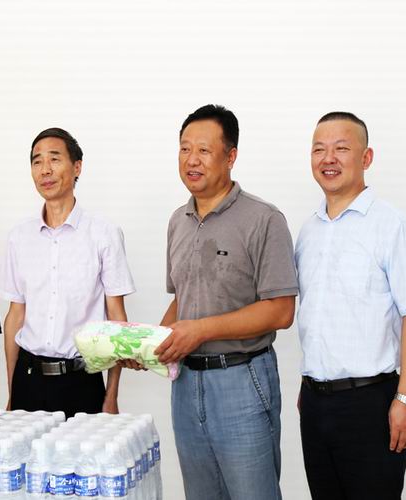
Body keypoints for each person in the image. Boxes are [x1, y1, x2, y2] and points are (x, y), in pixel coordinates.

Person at [152, 105, 298, 500]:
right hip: (185, 384)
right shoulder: (177, 221)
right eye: (184, 149)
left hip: (242, 379)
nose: (191, 160)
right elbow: (183, 300)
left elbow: (281, 310)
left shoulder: (263, 219)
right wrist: (150, 344)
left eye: (204, 150)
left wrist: (201, 331)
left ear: (230, 156)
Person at [295, 112, 406, 500]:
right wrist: (310, 382)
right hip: (315, 404)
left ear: (366, 158)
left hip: (369, 404)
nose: (328, 159)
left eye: (341, 148)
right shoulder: (308, 231)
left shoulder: (391, 225)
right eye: (319, 149)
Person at [0, 127, 136, 418]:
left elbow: (116, 319)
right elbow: (15, 317)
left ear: (77, 167)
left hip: (81, 381)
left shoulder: (103, 233)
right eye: (37, 161)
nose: (45, 169)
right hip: (28, 379)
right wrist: (12, 392)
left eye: (54, 159)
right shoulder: (19, 236)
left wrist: (111, 395)